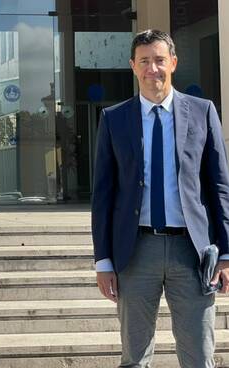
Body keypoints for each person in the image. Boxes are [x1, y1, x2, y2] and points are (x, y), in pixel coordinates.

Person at [92, 29, 229, 368]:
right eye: (144, 62)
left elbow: (219, 186)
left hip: (192, 251)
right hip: (135, 250)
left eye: (159, 60)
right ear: (133, 67)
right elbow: (103, 195)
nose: (152, 69)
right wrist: (103, 261)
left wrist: (226, 252)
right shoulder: (114, 119)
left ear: (174, 63)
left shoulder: (202, 111)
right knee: (135, 358)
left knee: (199, 355)